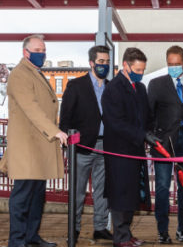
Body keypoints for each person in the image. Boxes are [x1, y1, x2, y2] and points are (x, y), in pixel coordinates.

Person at [1, 34, 67, 247]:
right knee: (22, 196)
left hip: (38, 145)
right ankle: (17, 240)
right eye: (38, 50)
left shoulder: (34, 72)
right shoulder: (20, 74)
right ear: (25, 52)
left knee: (37, 196)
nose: (42, 53)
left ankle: (31, 237)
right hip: (27, 145)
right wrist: (54, 131)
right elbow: (31, 107)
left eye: (43, 49)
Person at [59, 45, 114, 241]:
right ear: (91, 63)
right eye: (100, 62)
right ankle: (73, 229)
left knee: (103, 191)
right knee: (77, 191)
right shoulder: (76, 86)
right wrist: (68, 142)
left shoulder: (111, 87)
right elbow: (65, 118)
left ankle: (100, 227)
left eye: (107, 62)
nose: (104, 65)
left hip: (105, 146)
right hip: (81, 147)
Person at [102, 47, 154, 247]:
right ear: (125, 65)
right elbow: (115, 122)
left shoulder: (140, 88)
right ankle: (120, 237)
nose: (140, 74)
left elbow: (146, 115)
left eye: (142, 70)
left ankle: (127, 232)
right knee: (120, 194)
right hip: (119, 151)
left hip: (136, 151)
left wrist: (150, 130)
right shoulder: (113, 89)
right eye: (137, 70)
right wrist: (142, 135)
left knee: (132, 193)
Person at [147, 45, 183, 244]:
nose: (174, 67)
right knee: (161, 188)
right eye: (170, 64)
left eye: (177, 64)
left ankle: (182, 231)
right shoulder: (156, 84)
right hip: (163, 143)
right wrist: (150, 137)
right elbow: (149, 115)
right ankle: (162, 232)